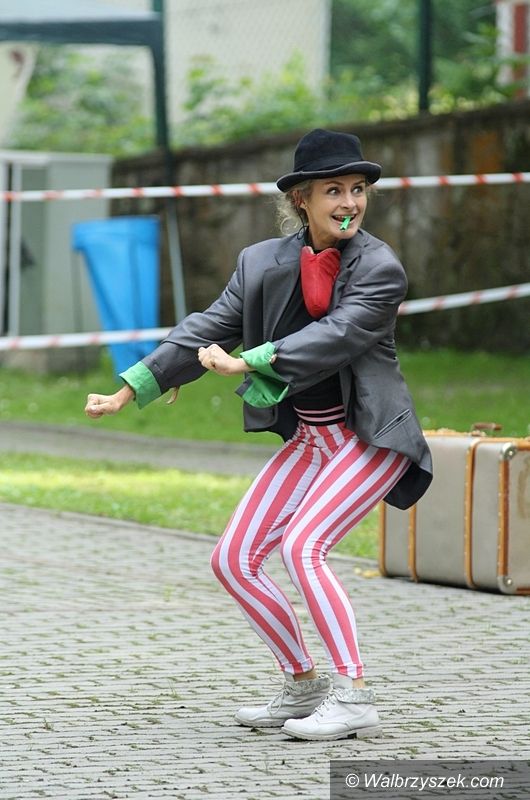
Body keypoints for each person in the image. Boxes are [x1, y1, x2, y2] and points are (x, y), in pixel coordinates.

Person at [85, 128, 432, 742]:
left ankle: (354, 695)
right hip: (312, 439)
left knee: (303, 548)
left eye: (357, 189)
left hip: (370, 437)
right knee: (232, 559)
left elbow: (335, 337)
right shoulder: (261, 262)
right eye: (333, 190)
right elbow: (207, 328)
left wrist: (250, 360)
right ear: (301, 199)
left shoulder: (380, 267)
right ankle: (303, 683)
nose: (350, 202)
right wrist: (129, 388)